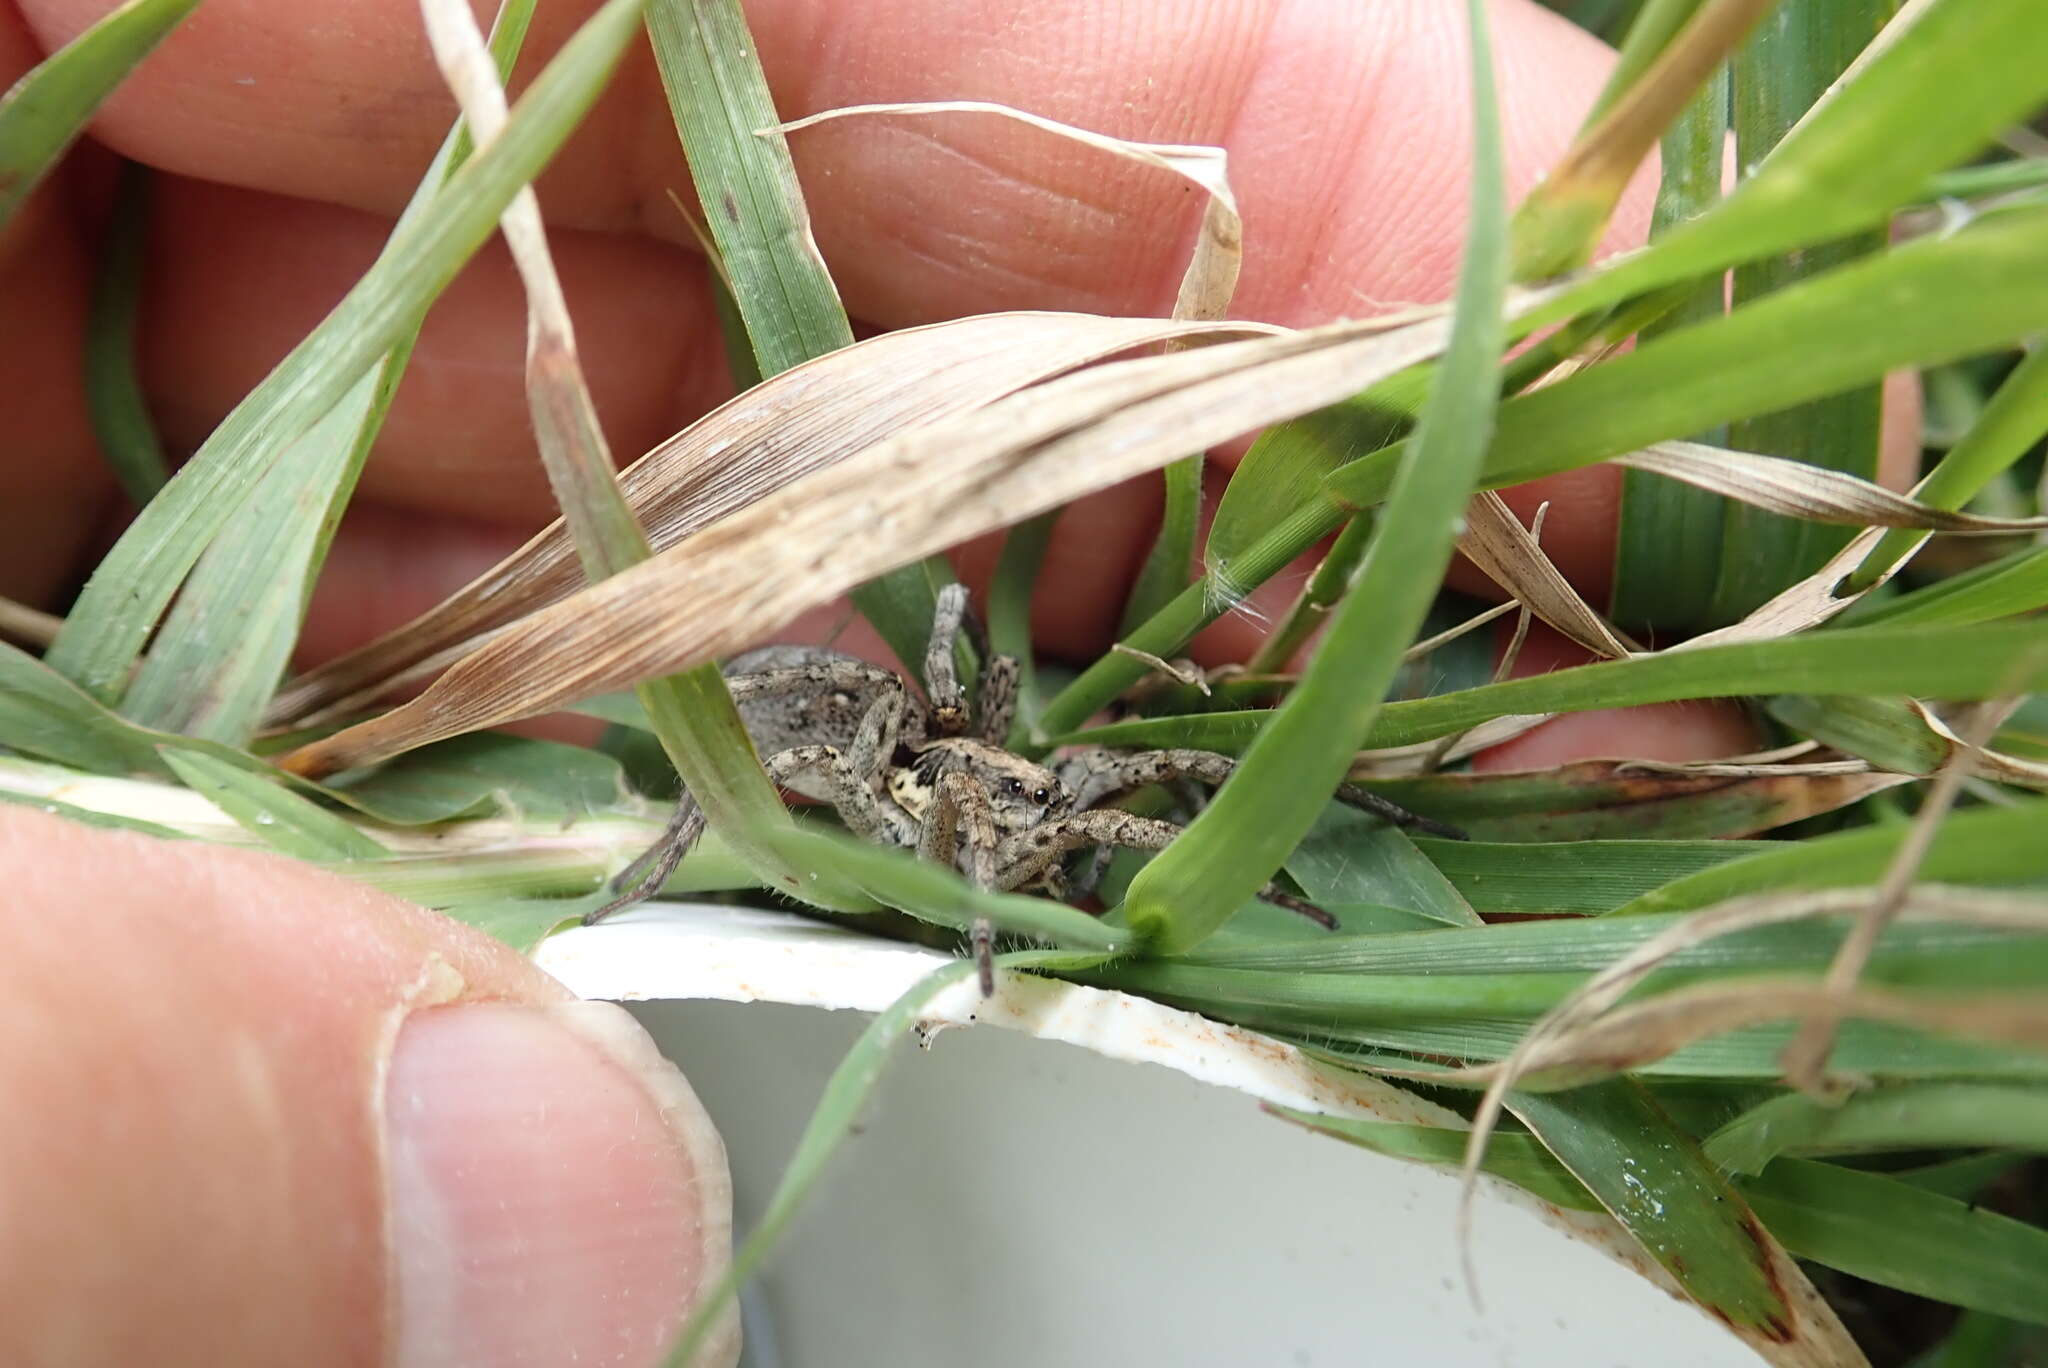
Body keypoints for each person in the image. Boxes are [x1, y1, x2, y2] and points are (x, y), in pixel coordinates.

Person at [0, 2, 1909, 1363]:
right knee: (881, 736)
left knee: (1015, 753)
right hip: (859, 760)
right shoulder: (899, 758)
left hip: (926, 752)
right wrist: (955, 930)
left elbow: (1029, 757)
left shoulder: (1028, 771)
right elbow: (911, 729)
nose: (1063, 822)